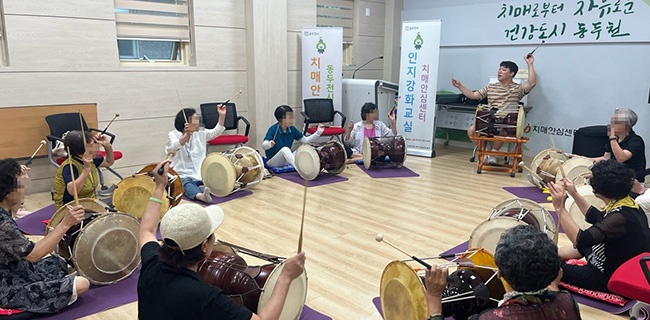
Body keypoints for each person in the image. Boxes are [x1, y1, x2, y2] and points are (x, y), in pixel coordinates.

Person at [137, 160, 306, 320]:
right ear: (204, 246)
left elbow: (147, 230)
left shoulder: (152, 264)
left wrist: (160, 186)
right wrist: (285, 277)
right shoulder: (205, 296)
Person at [424, 225, 581, 320]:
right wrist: (553, 286)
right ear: (555, 273)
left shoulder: (489, 318)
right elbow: (555, 300)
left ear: (499, 274)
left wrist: (433, 297)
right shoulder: (568, 302)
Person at [0, 158, 90, 316]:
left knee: (58, 261)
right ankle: (19, 310)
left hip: (19, 270)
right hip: (8, 288)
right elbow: (34, 255)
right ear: (8, 193)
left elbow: (13, 210)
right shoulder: (2, 224)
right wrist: (65, 224)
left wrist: (18, 175)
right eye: (20, 186)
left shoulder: (4, 208)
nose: (23, 189)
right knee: (82, 284)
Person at [548, 160, 650, 293]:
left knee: (547, 266)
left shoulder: (620, 217)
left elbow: (579, 240)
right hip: (623, 264)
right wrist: (574, 193)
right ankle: (551, 253)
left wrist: (559, 207)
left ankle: (549, 260)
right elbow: (597, 218)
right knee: (586, 243)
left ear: (601, 190)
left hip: (608, 276)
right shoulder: (628, 204)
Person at [451, 56, 536, 164]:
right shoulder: (490, 87)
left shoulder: (517, 89)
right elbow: (473, 95)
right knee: (471, 131)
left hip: (508, 122)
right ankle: (487, 151)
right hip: (490, 118)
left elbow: (532, 83)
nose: (500, 71)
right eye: (499, 69)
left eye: (504, 69)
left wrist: (530, 64)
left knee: (501, 127)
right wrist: (460, 86)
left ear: (511, 73)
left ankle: (493, 153)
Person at [166, 105, 226, 204]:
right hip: (183, 174)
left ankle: (203, 187)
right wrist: (186, 136)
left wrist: (222, 115)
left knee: (218, 177)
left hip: (200, 172)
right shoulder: (173, 134)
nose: (198, 121)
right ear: (186, 123)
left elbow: (216, 132)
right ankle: (201, 196)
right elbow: (172, 148)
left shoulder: (200, 132)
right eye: (195, 119)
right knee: (185, 184)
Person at [52, 130, 114, 210]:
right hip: (72, 208)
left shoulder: (90, 158)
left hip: (90, 202)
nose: (96, 146)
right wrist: (86, 169)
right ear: (80, 152)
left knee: (117, 200)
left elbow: (109, 162)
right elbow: (73, 191)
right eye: (92, 145)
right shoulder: (69, 166)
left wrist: (107, 146)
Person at [591, 108, 646, 183]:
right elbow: (606, 158)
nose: (611, 125)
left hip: (631, 181)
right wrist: (583, 159)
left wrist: (612, 138)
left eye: (616, 122)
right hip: (615, 177)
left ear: (626, 126)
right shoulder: (614, 139)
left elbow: (621, 158)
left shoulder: (636, 141)